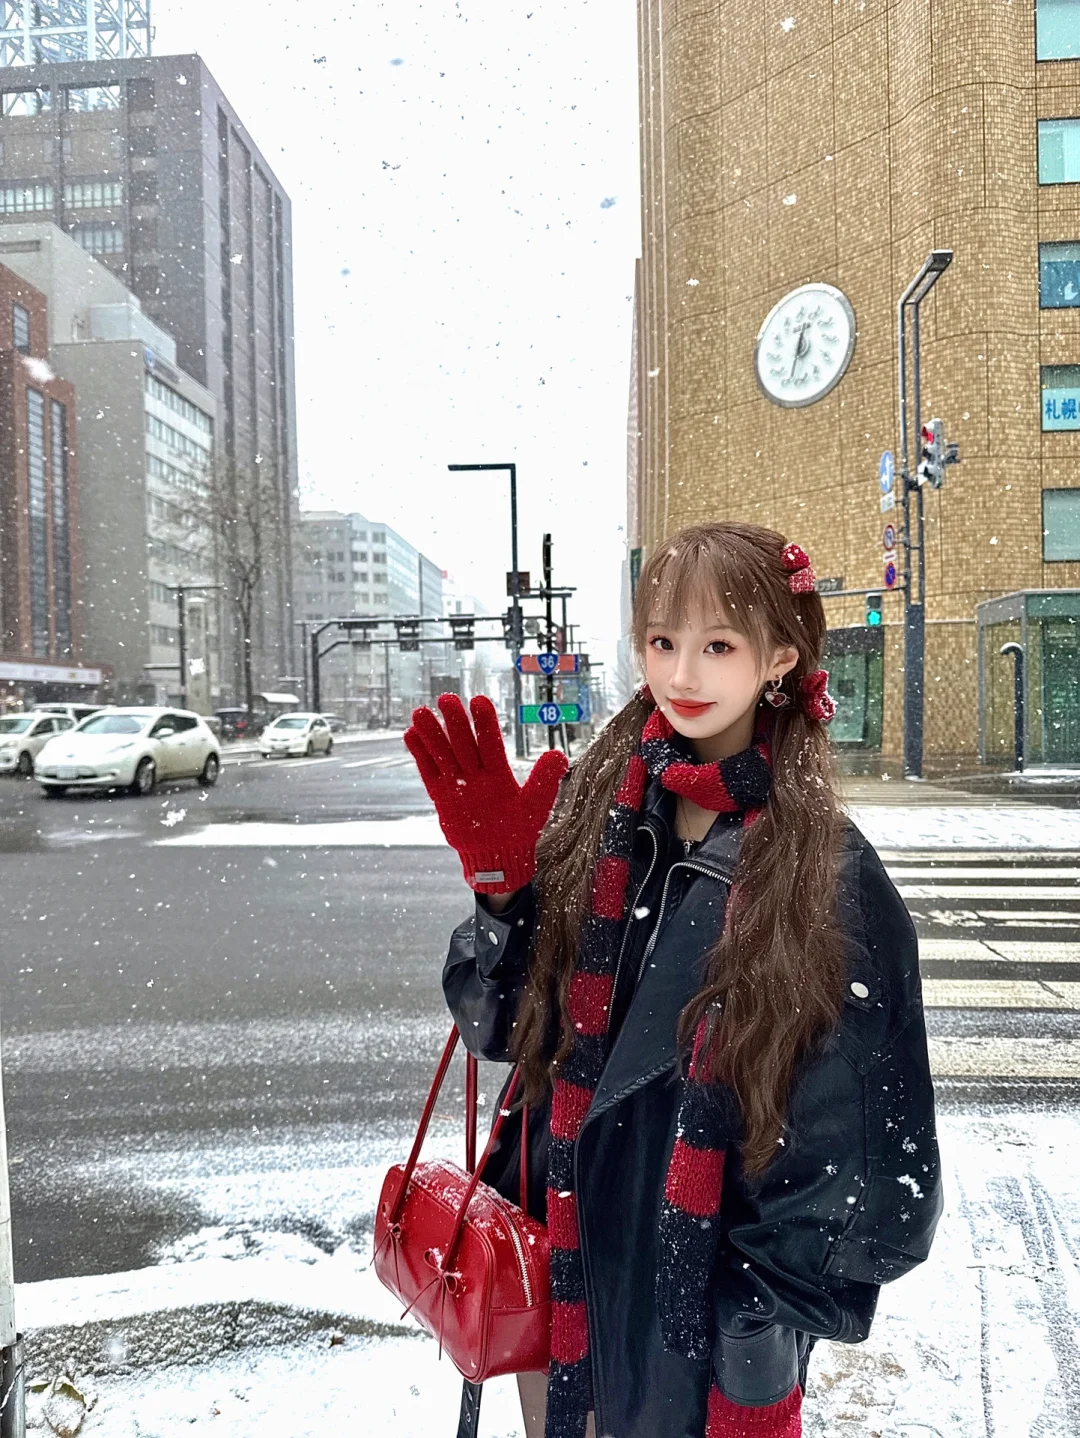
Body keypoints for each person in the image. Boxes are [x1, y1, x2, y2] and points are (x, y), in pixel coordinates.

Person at [404, 521, 942, 1438]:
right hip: (562, 1278)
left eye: (718, 645)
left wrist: (747, 1316)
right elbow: (507, 1033)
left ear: (779, 657)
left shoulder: (823, 872)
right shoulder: (600, 813)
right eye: (662, 642)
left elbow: (872, 1160)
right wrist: (502, 899)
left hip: (689, 1332)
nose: (683, 675)